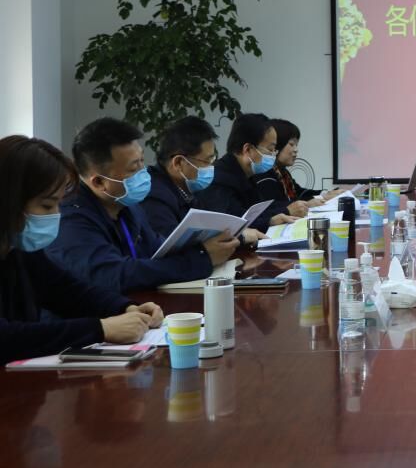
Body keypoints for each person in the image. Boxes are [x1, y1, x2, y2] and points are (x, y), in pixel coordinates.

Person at [0, 134, 164, 364]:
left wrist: (125, 307)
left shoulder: (17, 247)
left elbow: (66, 290)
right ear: (9, 201)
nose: (56, 214)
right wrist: (100, 329)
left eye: (58, 204)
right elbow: (6, 337)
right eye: (46, 205)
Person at [50, 118, 238, 294]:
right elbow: (115, 274)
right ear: (99, 182)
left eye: (142, 161)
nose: (144, 172)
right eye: (133, 168)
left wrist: (208, 250)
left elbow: (157, 251)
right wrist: (202, 259)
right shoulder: (70, 218)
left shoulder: (127, 206)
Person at [195, 113, 298, 229]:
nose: (273, 154)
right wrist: (275, 217)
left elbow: (256, 213)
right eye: (270, 149)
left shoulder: (248, 174)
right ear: (248, 149)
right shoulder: (220, 179)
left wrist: (275, 217)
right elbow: (233, 222)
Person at [142, 116, 220, 238]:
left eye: (212, 159)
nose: (211, 167)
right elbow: (171, 244)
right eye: (206, 161)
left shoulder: (188, 188)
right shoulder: (155, 197)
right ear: (178, 162)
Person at [252, 119, 335, 216]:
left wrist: (325, 194)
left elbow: (299, 193)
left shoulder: (283, 172)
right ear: (277, 145)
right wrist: (307, 204)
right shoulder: (265, 173)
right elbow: (272, 206)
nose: (296, 150)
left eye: (296, 145)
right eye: (291, 144)